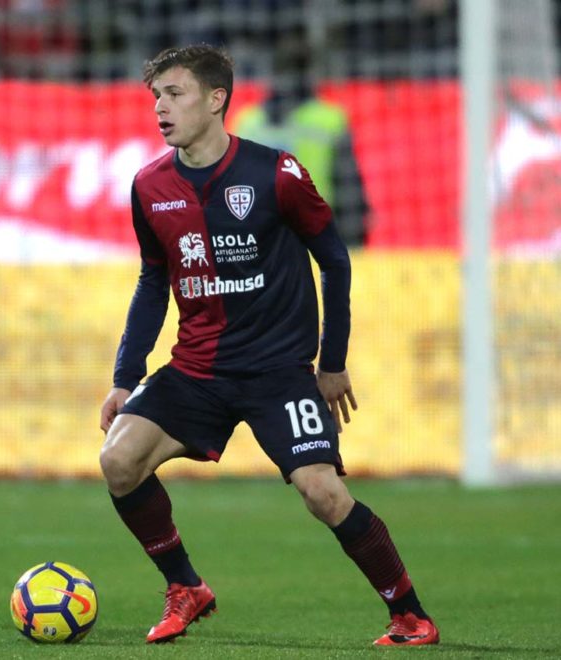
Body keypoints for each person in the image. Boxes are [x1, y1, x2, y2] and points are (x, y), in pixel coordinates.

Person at [98, 44, 439, 647]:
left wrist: (332, 362)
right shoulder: (149, 185)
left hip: (277, 371)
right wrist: (125, 377)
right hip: (197, 369)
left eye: (174, 94)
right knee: (118, 460)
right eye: (156, 97)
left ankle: (410, 615)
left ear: (216, 100)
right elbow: (154, 281)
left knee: (323, 492)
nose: (160, 109)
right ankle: (186, 587)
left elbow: (334, 260)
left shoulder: (275, 172)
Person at [230, 25, 370, 247]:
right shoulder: (329, 120)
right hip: (314, 241)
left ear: (271, 73)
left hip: (259, 245)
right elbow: (349, 193)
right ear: (310, 73)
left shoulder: (247, 122)